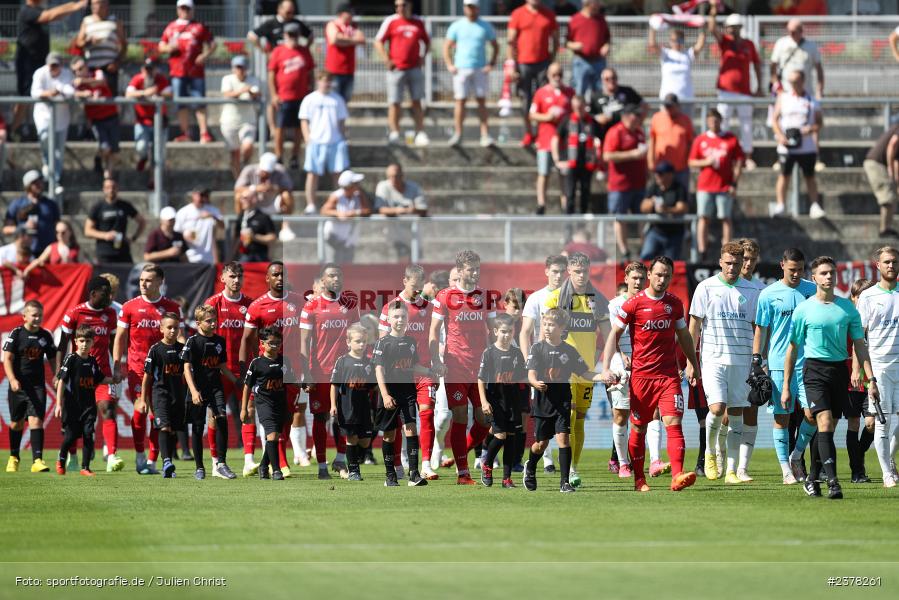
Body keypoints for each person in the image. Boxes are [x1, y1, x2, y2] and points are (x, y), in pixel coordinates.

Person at [601, 256, 701, 492]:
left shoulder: (674, 304)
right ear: (649, 275)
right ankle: (639, 480)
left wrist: (692, 364)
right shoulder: (633, 304)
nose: (662, 279)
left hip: (668, 376)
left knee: (673, 422)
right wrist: (606, 367)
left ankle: (677, 476)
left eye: (667, 275)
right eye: (658, 274)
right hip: (641, 378)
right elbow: (613, 334)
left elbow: (685, 336)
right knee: (638, 427)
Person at [783, 256, 877, 499]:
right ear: (813, 278)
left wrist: (871, 379)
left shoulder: (847, 308)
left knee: (829, 428)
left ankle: (813, 478)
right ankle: (833, 482)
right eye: (823, 273)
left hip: (839, 372)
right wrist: (785, 385)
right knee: (823, 423)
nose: (828, 277)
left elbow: (860, 345)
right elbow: (792, 348)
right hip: (814, 371)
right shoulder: (803, 310)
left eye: (832, 273)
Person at [688, 241, 761, 484]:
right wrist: (690, 362)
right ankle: (709, 453)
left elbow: (756, 329)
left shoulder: (752, 291)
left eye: (737, 264)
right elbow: (694, 326)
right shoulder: (705, 287)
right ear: (720, 261)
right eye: (728, 263)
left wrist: (757, 361)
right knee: (717, 409)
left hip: (741, 361)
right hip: (712, 359)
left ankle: (731, 471)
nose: (732, 268)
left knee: (737, 412)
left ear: (743, 265)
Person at [543, 252, 611, 487]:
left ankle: (574, 467)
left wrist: (605, 360)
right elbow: (547, 332)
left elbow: (608, 334)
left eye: (585, 271)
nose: (581, 276)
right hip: (564, 369)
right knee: (569, 416)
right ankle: (567, 469)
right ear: (569, 272)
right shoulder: (557, 299)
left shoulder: (596, 300)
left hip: (588, 370)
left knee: (580, 419)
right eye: (577, 271)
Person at [429, 250, 497, 485]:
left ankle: (463, 454)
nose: (475, 272)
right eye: (471, 268)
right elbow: (434, 331)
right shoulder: (445, 296)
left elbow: (493, 331)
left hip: (480, 367)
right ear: (459, 270)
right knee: (459, 416)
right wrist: (436, 360)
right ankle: (463, 473)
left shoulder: (485, 296)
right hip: (455, 365)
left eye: (478, 268)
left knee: (485, 420)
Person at [753, 247, 818, 484]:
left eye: (801, 270)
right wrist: (756, 360)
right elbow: (761, 328)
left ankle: (796, 455)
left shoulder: (812, 291)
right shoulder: (768, 294)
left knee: (813, 414)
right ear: (782, 266)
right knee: (782, 418)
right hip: (780, 365)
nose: (797, 274)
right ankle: (785, 470)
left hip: (810, 364)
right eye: (792, 270)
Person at [525, 307, 605, 492]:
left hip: (562, 402)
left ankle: (564, 482)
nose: (546, 328)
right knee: (541, 445)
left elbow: (585, 373)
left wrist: (603, 376)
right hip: (543, 403)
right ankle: (530, 467)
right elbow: (531, 374)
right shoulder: (537, 348)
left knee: (564, 440)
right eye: (544, 324)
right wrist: (535, 383)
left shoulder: (569, 350)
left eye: (551, 325)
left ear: (562, 328)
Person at [113, 264, 183, 475]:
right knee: (141, 409)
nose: (143, 284)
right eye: (141, 280)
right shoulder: (129, 307)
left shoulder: (171, 307)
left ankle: (153, 460)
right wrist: (117, 365)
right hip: (138, 368)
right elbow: (119, 338)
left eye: (148, 280)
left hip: (165, 370)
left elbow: (178, 337)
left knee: (157, 416)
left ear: (160, 282)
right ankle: (140, 455)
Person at [240, 262, 304, 477]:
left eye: (283, 274)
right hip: (266, 373)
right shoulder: (257, 306)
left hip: (292, 369)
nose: (280, 278)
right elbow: (247, 339)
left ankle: (267, 462)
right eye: (275, 274)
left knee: (286, 417)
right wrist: (246, 368)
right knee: (270, 419)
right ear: (267, 278)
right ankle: (281, 464)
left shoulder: (298, 302)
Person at [300, 263, 361, 480]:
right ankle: (322, 466)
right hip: (320, 371)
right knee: (320, 417)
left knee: (345, 417)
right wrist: (306, 373)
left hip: (345, 371)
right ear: (323, 281)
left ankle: (341, 460)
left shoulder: (350, 305)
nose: (337, 279)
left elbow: (357, 338)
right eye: (332, 276)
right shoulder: (311, 307)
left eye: (340, 275)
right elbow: (304, 343)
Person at [377, 265, 437, 479]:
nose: (417, 291)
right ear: (405, 281)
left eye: (421, 286)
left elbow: (433, 337)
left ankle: (425, 464)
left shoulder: (429, 307)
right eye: (414, 286)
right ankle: (397, 465)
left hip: (422, 370)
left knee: (425, 413)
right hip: (398, 374)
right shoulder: (391, 308)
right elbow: (382, 342)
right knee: (396, 424)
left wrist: (435, 363)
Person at [58, 277, 120, 472]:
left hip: (101, 374)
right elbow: (62, 344)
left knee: (108, 409)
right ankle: (73, 458)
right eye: (105, 293)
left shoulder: (110, 314)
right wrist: (58, 372)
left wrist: (117, 367)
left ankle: (111, 456)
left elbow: (113, 344)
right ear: (93, 293)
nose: (109, 297)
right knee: (75, 422)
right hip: (76, 377)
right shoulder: (74, 313)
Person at [204, 263, 256, 477]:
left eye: (240, 276)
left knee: (249, 411)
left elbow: (253, 339)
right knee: (215, 415)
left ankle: (249, 461)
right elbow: (204, 337)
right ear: (223, 279)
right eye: (232, 276)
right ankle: (216, 463)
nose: (237, 280)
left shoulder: (250, 305)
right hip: (218, 370)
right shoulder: (213, 303)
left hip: (244, 370)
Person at [373, 302, 431, 487]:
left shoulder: (411, 342)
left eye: (403, 317)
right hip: (390, 393)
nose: (399, 320)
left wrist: (430, 371)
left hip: (407, 392)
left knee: (411, 429)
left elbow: (412, 365)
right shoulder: (383, 342)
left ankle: (413, 474)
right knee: (390, 434)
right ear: (389, 320)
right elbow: (379, 370)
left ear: (408, 320)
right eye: (396, 317)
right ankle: (390, 475)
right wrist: (385, 394)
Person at [855, 246, 899, 488]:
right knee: (882, 422)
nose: (891, 266)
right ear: (878, 266)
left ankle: (889, 460)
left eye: (894, 262)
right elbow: (859, 337)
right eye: (887, 262)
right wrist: (859, 370)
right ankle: (886, 474)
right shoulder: (868, 296)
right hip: (880, 367)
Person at [12, 0, 86, 138]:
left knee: (41, 94)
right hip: (28, 62)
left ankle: (32, 130)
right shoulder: (27, 11)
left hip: (41, 61)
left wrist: (74, 5)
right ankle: (13, 130)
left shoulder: (39, 10)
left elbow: (56, 15)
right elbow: (50, 15)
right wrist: (75, 6)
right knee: (24, 96)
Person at [182, 305, 238, 480]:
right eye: (209, 321)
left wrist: (237, 381)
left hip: (215, 388)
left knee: (221, 419)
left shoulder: (220, 341)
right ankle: (199, 467)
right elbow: (186, 367)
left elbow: (222, 367)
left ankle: (221, 464)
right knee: (198, 428)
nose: (213, 323)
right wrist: (193, 391)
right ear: (198, 322)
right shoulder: (193, 342)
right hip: (198, 389)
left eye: (215, 320)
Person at [603, 262, 647, 479]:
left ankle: (652, 461)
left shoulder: (650, 302)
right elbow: (613, 335)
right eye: (634, 278)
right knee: (621, 415)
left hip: (646, 366)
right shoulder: (614, 305)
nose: (638, 282)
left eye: (641, 278)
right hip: (621, 366)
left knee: (650, 416)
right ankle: (622, 463)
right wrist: (621, 356)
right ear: (627, 279)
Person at [3, 300, 57, 473]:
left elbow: (53, 358)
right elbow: (8, 359)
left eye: (40, 315)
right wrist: (12, 379)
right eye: (34, 315)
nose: (37, 318)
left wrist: (57, 375)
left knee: (36, 420)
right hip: (18, 386)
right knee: (16, 423)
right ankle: (14, 457)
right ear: (24, 316)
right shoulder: (17, 334)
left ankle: (37, 460)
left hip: (37, 386)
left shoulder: (45, 336)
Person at [54, 325, 112, 476]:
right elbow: (61, 381)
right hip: (72, 406)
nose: (84, 344)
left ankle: (85, 467)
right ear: (75, 342)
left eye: (88, 341)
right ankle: (61, 460)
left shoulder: (92, 361)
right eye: (81, 340)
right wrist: (58, 404)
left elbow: (100, 378)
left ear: (93, 342)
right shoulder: (71, 359)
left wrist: (115, 379)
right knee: (70, 436)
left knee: (88, 434)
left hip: (88, 406)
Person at [477, 313, 527, 488]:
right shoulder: (489, 352)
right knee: (500, 436)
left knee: (511, 439)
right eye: (503, 332)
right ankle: (487, 465)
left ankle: (507, 478)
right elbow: (481, 379)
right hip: (495, 401)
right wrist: (484, 401)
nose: (507, 335)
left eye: (510, 332)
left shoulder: (516, 353)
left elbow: (523, 377)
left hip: (513, 401)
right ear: (495, 331)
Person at [708, 6, 762, 170]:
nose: (733, 30)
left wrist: (759, 86)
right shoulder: (724, 41)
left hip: (744, 92)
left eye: (735, 27)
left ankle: (747, 157)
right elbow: (711, 28)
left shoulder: (749, 44)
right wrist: (713, 9)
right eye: (730, 27)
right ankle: (723, 155)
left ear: (740, 28)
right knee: (723, 125)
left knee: (746, 126)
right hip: (725, 92)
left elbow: (757, 65)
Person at [689, 108, 744, 260]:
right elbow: (691, 161)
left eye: (716, 119)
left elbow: (739, 161)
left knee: (725, 218)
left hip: (724, 185)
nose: (714, 123)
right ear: (707, 122)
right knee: (703, 217)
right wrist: (705, 162)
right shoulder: (700, 140)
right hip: (705, 185)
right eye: (711, 120)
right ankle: (702, 250)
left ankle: (727, 250)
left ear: (721, 120)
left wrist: (734, 183)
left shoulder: (730, 139)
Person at [158, 0, 216, 143]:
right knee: (180, 103)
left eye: (187, 8)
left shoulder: (199, 26)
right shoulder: (171, 27)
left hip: (196, 71)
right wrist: (168, 49)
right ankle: (185, 133)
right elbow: (161, 46)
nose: (185, 11)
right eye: (182, 8)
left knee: (199, 102)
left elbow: (213, 44)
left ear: (192, 10)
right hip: (177, 71)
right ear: (178, 9)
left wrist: (204, 56)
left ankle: (204, 133)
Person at [375, 0, 431, 146]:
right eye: (397, 5)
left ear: (410, 5)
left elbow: (427, 41)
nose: (400, 8)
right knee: (394, 102)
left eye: (403, 4)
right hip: (396, 69)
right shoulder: (391, 21)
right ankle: (394, 132)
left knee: (417, 101)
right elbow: (378, 41)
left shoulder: (419, 21)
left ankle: (420, 132)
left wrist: (423, 57)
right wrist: (387, 59)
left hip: (414, 68)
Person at [444, 0, 498, 147]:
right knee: (460, 101)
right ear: (464, 8)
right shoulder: (457, 25)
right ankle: (458, 133)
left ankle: (485, 134)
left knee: (481, 101)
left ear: (478, 8)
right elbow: (447, 46)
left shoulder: (485, 26)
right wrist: (450, 64)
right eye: (468, 7)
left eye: (473, 7)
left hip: (480, 68)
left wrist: (491, 64)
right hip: (461, 68)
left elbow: (495, 45)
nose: (470, 9)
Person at [771, 70, 824, 219]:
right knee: (784, 175)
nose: (793, 84)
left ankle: (814, 205)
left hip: (806, 146)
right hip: (786, 146)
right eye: (791, 81)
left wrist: (810, 129)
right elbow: (774, 119)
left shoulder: (812, 100)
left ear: (803, 80)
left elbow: (820, 123)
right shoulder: (783, 98)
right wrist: (780, 136)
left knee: (810, 176)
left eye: (796, 81)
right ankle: (781, 205)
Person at [139, 313, 186, 479]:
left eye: (175, 327)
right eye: (169, 327)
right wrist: (144, 399)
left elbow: (187, 374)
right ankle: (166, 461)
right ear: (161, 329)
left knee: (174, 431)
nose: (173, 331)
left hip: (178, 397)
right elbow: (147, 377)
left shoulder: (183, 350)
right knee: (164, 428)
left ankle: (169, 465)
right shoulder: (156, 350)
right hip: (160, 395)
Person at [243, 328, 292, 481]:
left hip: (280, 403)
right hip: (264, 403)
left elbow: (291, 382)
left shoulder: (285, 361)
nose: (276, 346)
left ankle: (264, 466)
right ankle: (276, 470)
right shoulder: (257, 363)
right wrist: (243, 409)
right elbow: (247, 386)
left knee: (275, 437)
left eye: (278, 343)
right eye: (271, 343)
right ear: (262, 344)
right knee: (271, 435)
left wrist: (305, 385)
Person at [508, 0, 559, 147]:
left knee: (544, 101)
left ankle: (542, 134)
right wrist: (512, 65)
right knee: (525, 100)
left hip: (543, 63)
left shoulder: (548, 14)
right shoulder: (518, 14)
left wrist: (552, 59)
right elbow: (511, 41)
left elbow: (555, 39)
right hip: (523, 64)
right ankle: (529, 132)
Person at [299, 71, 350, 214]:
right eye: (323, 80)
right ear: (317, 81)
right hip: (316, 142)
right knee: (312, 174)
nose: (326, 83)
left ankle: (340, 203)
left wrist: (342, 138)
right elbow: (304, 120)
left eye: (328, 81)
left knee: (338, 175)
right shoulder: (310, 99)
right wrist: (308, 138)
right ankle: (310, 204)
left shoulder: (337, 99)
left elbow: (341, 122)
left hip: (335, 141)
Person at [330, 324, 375, 481]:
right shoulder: (342, 362)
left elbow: (374, 386)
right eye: (357, 341)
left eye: (363, 341)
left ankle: (349, 465)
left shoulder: (370, 363)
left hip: (364, 408)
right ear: (348, 342)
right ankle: (354, 471)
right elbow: (334, 385)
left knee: (364, 441)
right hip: (347, 408)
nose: (361, 344)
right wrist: (333, 405)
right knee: (351, 439)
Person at [603, 104, 648, 259]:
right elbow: (607, 155)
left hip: (639, 183)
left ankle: (644, 250)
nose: (639, 119)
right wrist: (632, 155)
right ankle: (624, 251)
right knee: (619, 217)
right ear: (628, 116)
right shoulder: (616, 132)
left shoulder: (640, 132)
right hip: (620, 185)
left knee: (642, 216)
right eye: (636, 115)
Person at [268, 22, 315, 169]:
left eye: (295, 34)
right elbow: (271, 75)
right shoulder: (278, 51)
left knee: (298, 128)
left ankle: (295, 157)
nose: (293, 37)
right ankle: (279, 155)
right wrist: (274, 94)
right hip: (284, 96)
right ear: (285, 35)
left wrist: (311, 92)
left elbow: (311, 73)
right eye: (290, 34)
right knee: (280, 128)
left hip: (301, 97)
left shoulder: (304, 51)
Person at [530, 62, 574, 214]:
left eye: (560, 74)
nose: (557, 77)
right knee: (544, 172)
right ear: (548, 76)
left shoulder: (569, 93)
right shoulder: (541, 93)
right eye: (554, 74)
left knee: (564, 175)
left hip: (564, 143)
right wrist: (547, 117)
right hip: (545, 140)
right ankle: (541, 204)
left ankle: (565, 205)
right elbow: (532, 114)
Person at [847, 278, 877, 484]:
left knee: (871, 424)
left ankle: (859, 454)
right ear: (853, 298)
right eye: (860, 297)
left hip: (871, 380)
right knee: (854, 423)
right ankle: (857, 471)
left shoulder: (874, 319)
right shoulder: (846, 319)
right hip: (850, 380)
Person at [31, 53, 74, 195]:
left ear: (61, 65)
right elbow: (35, 93)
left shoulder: (67, 74)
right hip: (43, 116)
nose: (53, 68)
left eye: (56, 65)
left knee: (58, 152)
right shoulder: (40, 73)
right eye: (51, 65)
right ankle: (49, 173)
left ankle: (55, 179)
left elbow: (70, 91)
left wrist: (59, 90)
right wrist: (50, 93)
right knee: (44, 139)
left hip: (61, 119)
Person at [71, 56, 119, 180]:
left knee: (113, 149)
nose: (80, 71)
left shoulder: (97, 73)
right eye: (77, 70)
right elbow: (73, 94)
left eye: (82, 68)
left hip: (111, 115)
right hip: (97, 120)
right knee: (105, 147)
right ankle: (100, 162)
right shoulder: (77, 84)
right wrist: (84, 93)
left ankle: (108, 176)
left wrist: (84, 82)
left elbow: (101, 81)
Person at [551, 95, 601, 214]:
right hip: (571, 163)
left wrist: (598, 156)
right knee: (570, 195)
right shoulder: (567, 120)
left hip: (587, 163)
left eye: (581, 106)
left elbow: (599, 140)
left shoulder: (592, 122)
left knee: (585, 193)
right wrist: (557, 160)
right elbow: (555, 139)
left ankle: (582, 226)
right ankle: (568, 225)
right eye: (576, 107)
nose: (579, 109)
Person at [125, 59, 172, 179]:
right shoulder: (138, 79)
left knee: (158, 155)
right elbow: (128, 93)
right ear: (142, 70)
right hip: (142, 121)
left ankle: (154, 181)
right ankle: (143, 157)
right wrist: (145, 93)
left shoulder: (160, 79)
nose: (149, 72)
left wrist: (157, 93)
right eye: (147, 69)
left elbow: (169, 94)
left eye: (151, 69)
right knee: (141, 147)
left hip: (160, 121)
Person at [234, 152, 297, 239]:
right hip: (254, 203)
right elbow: (237, 188)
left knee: (287, 195)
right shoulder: (249, 170)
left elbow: (290, 188)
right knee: (239, 196)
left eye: (268, 172)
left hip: (272, 203)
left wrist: (275, 188)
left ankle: (285, 227)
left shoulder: (280, 170)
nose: (265, 174)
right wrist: (255, 188)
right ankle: (240, 224)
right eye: (263, 171)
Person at [84, 178, 146, 263]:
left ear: (117, 188)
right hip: (105, 252)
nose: (111, 190)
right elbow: (87, 231)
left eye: (113, 187)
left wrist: (133, 238)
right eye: (108, 187)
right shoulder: (97, 207)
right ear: (104, 189)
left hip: (123, 251)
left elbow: (142, 222)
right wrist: (105, 235)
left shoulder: (125, 205)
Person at [375, 163, 428, 260]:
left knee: (416, 265)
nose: (394, 179)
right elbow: (381, 209)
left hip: (412, 235)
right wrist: (400, 210)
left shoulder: (414, 187)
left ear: (402, 175)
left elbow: (423, 209)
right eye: (391, 176)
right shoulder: (383, 186)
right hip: (394, 235)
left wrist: (413, 209)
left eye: (397, 176)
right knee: (399, 265)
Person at [220, 55, 262, 179]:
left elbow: (257, 94)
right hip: (229, 121)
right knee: (235, 153)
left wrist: (250, 92)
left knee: (247, 146)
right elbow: (227, 94)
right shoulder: (227, 79)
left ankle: (245, 165)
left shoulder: (253, 80)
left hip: (248, 120)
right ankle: (239, 180)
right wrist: (243, 91)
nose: (240, 70)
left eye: (242, 67)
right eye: (237, 67)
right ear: (233, 68)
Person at [648, 25, 705, 113]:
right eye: (674, 40)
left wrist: (702, 28)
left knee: (686, 125)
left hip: (686, 99)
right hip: (667, 100)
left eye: (680, 40)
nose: (677, 43)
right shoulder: (665, 53)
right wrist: (653, 27)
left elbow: (700, 45)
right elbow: (652, 44)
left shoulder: (688, 54)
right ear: (670, 41)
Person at [320, 170, 373, 264]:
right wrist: (338, 213)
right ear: (349, 186)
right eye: (355, 183)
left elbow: (367, 210)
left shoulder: (359, 196)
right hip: (333, 238)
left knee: (347, 267)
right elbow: (324, 210)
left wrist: (354, 213)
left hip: (349, 240)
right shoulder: (336, 196)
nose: (358, 185)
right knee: (332, 267)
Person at [640, 161, 689, 260]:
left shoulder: (679, 188)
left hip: (674, 233)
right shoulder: (653, 187)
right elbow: (643, 207)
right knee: (646, 256)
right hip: (656, 231)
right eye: (656, 174)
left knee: (670, 262)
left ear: (670, 175)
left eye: (661, 174)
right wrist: (652, 202)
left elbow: (682, 207)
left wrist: (666, 209)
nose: (657, 176)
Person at [4, 170, 59, 256]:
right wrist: (23, 227)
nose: (39, 185)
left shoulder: (51, 204)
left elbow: (58, 227)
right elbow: (6, 229)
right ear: (28, 185)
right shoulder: (17, 204)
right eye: (35, 183)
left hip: (47, 252)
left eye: (40, 181)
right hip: (25, 252)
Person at [74, 0, 125, 94]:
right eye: (93, 4)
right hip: (92, 68)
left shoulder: (115, 21)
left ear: (106, 4)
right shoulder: (86, 21)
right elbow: (79, 43)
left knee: (110, 97)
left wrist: (117, 62)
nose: (94, 6)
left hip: (109, 68)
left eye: (97, 3)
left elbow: (124, 44)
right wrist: (88, 42)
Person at [565, 0, 611, 98]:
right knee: (578, 92)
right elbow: (567, 42)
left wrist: (606, 46)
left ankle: (597, 112)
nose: (599, 5)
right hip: (581, 61)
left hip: (598, 61)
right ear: (588, 4)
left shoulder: (601, 19)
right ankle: (579, 113)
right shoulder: (575, 19)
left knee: (599, 93)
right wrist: (574, 45)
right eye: (596, 3)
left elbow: (607, 38)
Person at [648, 93, 694, 190]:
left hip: (681, 168)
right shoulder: (657, 118)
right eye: (666, 106)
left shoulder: (685, 120)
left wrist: (687, 161)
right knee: (660, 198)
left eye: (671, 106)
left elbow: (690, 142)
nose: (668, 109)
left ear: (678, 106)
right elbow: (652, 141)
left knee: (682, 197)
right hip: (661, 168)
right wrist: (651, 162)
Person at [589, 67, 647, 142]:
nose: (611, 81)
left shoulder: (627, 92)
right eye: (607, 79)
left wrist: (639, 122)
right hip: (605, 135)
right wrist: (597, 118)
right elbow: (589, 114)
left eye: (613, 78)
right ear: (602, 81)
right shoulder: (596, 96)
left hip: (627, 135)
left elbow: (644, 105)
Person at [770, 19, 823, 99]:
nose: (791, 34)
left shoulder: (811, 46)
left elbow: (819, 69)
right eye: (789, 31)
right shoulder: (781, 43)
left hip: (806, 93)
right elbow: (773, 66)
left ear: (801, 31)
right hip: (785, 93)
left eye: (794, 32)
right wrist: (777, 86)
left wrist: (819, 91)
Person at [325, 3, 364, 102]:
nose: (352, 15)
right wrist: (352, 41)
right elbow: (334, 40)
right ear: (342, 13)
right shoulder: (332, 24)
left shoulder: (354, 26)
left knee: (345, 101)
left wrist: (343, 39)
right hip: (334, 70)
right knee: (333, 100)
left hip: (349, 70)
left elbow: (362, 40)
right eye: (350, 13)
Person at [864, 124, 899, 238]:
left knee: (890, 194)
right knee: (887, 195)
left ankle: (886, 228)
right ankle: (884, 229)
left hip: (876, 163)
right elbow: (892, 145)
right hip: (877, 164)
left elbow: (896, 158)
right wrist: (890, 167)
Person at [174, 187, 224, 265]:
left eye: (205, 195)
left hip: (208, 258)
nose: (202, 198)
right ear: (193, 195)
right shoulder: (183, 212)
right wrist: (184, 236)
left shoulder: (213, 211)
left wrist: (213, 216)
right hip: (189, 257)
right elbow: (176, 234)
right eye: (200, 195)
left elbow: (222, 227)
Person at [233, 191, 276, 263]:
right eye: (241, 198)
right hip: (243, 254)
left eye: (245, 198)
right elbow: (236, 238)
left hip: (260, 256)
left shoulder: (263, 217)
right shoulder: (241, 216)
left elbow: (272, 238)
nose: (242, 200)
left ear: (253, 199)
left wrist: (254, 237)